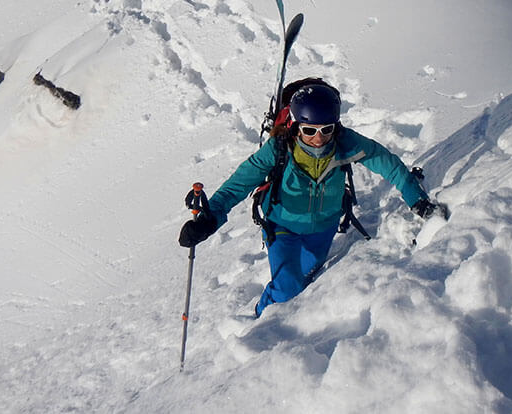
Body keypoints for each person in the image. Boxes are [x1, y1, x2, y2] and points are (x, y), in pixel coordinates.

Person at [178, 80, 439, 316]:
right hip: (282, 226)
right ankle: (260, 320)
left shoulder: (345, 142)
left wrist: (416, 199)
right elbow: (237, 185)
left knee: (303, 280)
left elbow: (388, 164)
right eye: (309, 130)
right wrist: (208, 220)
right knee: (286, 289)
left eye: (326, 129)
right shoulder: (279, 149)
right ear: (294, 125)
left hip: (323, 228)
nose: (319, 138)